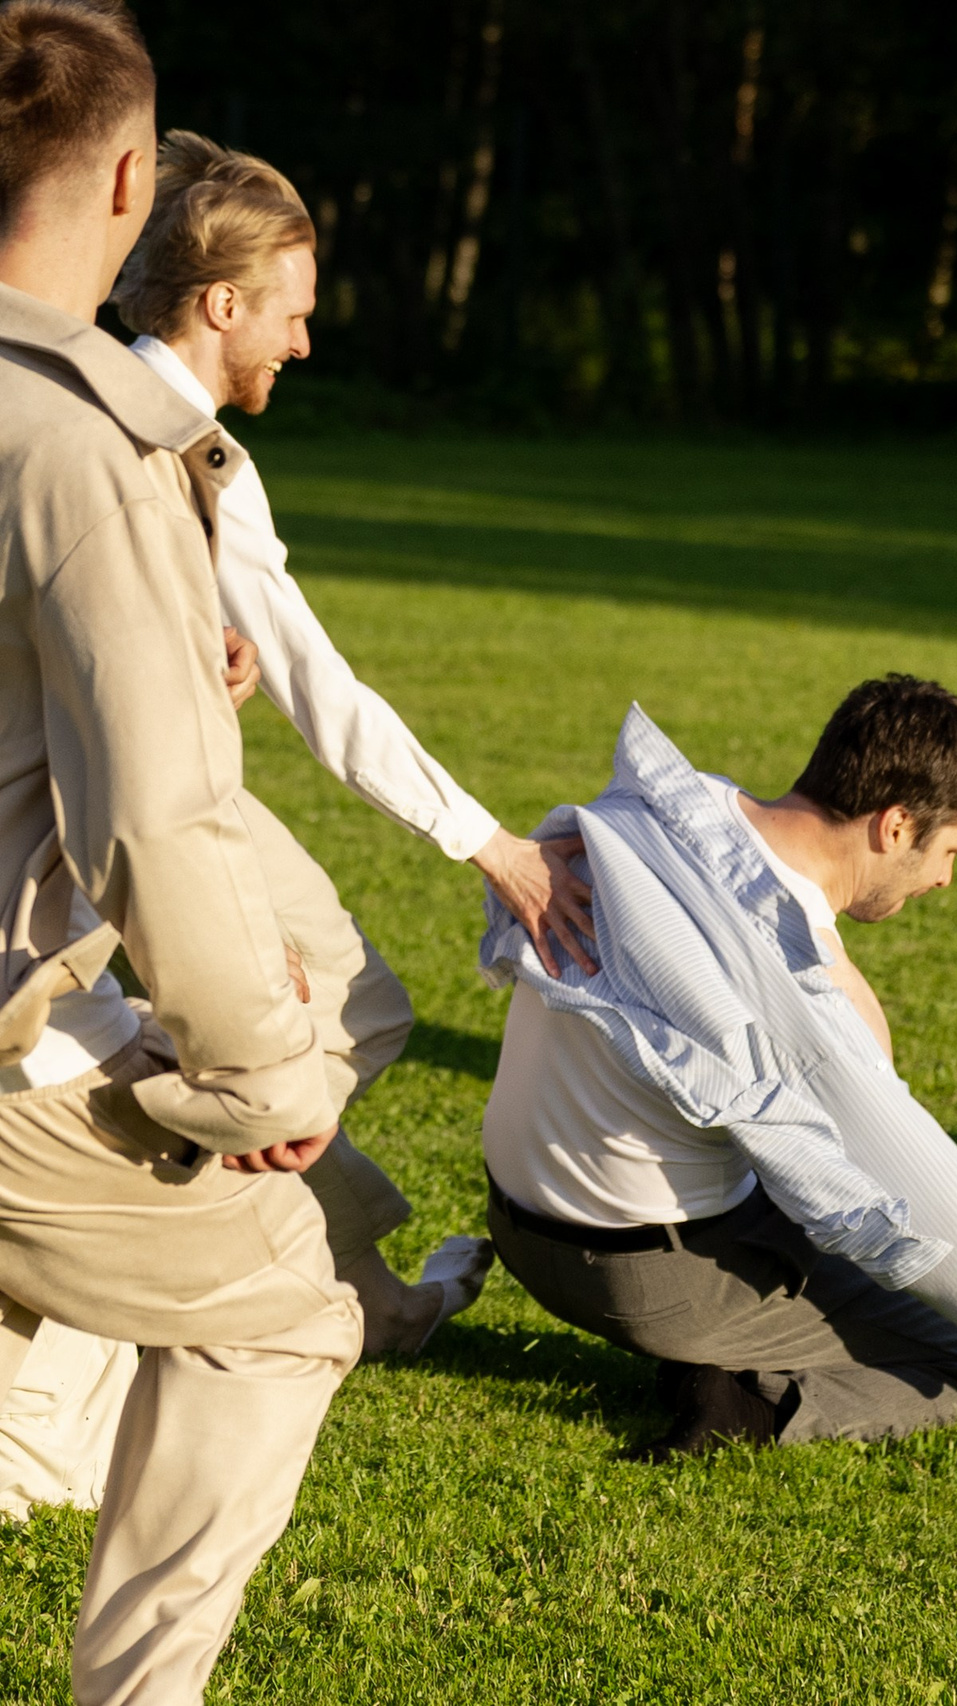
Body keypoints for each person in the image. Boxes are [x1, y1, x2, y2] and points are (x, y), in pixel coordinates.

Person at [0, 1, 363, 1699]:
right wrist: (259, 1076)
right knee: (286, 1302)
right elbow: (154, 814)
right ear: (138, 182)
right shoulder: (79, 442)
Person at [105, 130, 598, 1355]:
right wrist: (493, 847)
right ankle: (144, 1228)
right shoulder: (188, 452)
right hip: (124, 796)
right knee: (326, 1026)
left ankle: (363, 1294)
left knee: (306, 1024)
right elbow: (323, 692)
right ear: (222, 303)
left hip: (134, 774)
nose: (304, 343)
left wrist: (195, 653)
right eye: (291, 314)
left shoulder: (76, 389)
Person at [480, 677, 957, 1458]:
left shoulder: (668, 815)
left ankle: (734, 1352)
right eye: (950, 853)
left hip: (519, 1226)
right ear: (897, 825)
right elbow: (922, 1183)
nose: (945, 880)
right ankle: (743, 1397)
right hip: (637, 1277)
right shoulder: (787, 988)